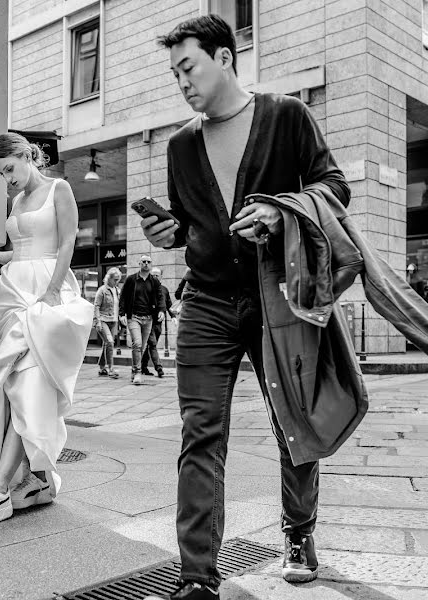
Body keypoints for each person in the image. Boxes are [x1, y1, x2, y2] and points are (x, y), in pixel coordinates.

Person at [141, 15, 353, 599]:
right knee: (199, 432)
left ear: (226, 57)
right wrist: (169, 232)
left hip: (276, 298)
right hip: (206, 301)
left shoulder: (286, 116)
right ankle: (197, 579)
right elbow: (190, 223)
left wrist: (282, 211)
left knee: (295, 423)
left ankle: (298, 529)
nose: (182, 82)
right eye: (175, 72)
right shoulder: (181, 144)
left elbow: (335, 185)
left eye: (189, 67)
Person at [0, 132, 92, 528]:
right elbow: (20, 251)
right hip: (13, 293)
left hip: (44, 296)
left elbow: (67, 240)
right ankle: (35, 482)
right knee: (7, 388)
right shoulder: (16, 201)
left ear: (24, 155)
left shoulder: (60, 188)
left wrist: (52, 292)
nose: (7, 179)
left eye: (9, 169)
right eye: (1, 174)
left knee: (30, 385)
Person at [119, 255, 164, 385]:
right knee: (137, 344)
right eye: (143, 262)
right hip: (134, 317)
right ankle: (138, 372)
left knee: (142, 347)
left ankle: (134, 370)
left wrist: (161, 310)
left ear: (151, 264)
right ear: (139, 264)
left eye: (148, 262)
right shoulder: (131, 280)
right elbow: (123, 297)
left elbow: (160, 296)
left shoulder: (154, 281)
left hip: (148, 319)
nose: (145, 263)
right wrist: (122, 313)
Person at [141, 267, 174, 377]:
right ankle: (159, 368)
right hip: (148, 321)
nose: (155, 277)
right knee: (153, 344)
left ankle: (143, 367)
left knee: (150, 346)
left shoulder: (164, 289)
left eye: (157, 275)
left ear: (161, 277)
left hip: (158, 323)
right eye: (153, 275)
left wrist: (173, 316)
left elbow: (168, 304)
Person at [94, 267, 123, 378]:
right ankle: (111, 368)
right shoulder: (102, 290)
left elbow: (119, 307)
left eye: (118, 280)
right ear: (109, 278)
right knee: (110, 342)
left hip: (114, 321)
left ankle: (102, 367)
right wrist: (97, 322)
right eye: (115, 279)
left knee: (107, 343)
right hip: (103, 320)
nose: (117, 282)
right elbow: (96, 306)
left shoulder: (117, 290)